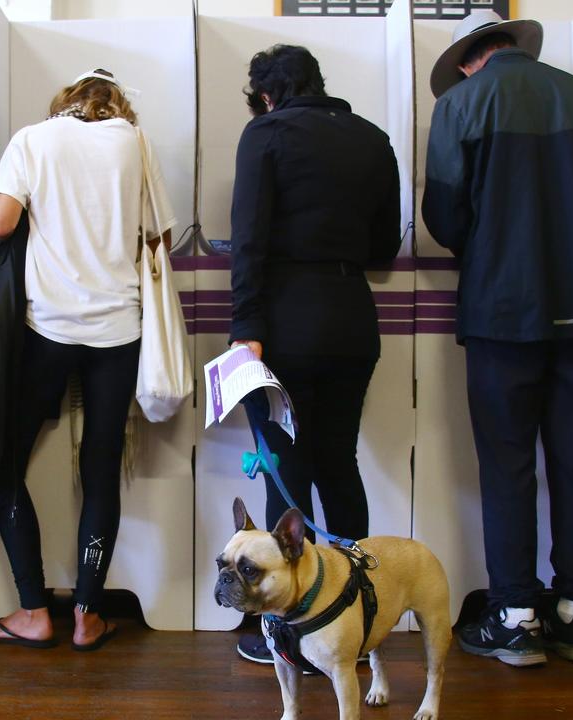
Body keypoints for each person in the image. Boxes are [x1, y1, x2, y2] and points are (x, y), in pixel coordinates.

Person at [421, 10, 573, 667]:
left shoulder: (461, 105)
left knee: (507, 464)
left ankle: (514, 616)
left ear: (468, 59)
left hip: (502, 312)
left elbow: (445, 215)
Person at [0, 69, 175, 652]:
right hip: (119, 328)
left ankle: (35, 609)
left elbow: (1, 222)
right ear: (116, 105)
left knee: (4, 463)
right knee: (101, 469)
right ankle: (88, 614)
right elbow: (158, 233)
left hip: (48, 327)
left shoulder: (33, 139)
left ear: (65, 102)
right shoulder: (134, 142)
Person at [228, 44, 402, 664]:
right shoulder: (373, 139)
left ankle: (284, 628)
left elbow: (248, 240)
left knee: (285, 472)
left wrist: (246, 329)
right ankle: (357, 612)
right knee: (339, 465)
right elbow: (384, 242)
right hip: (353, 318)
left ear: (267, 94)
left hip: (284, 322)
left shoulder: (266, 133)